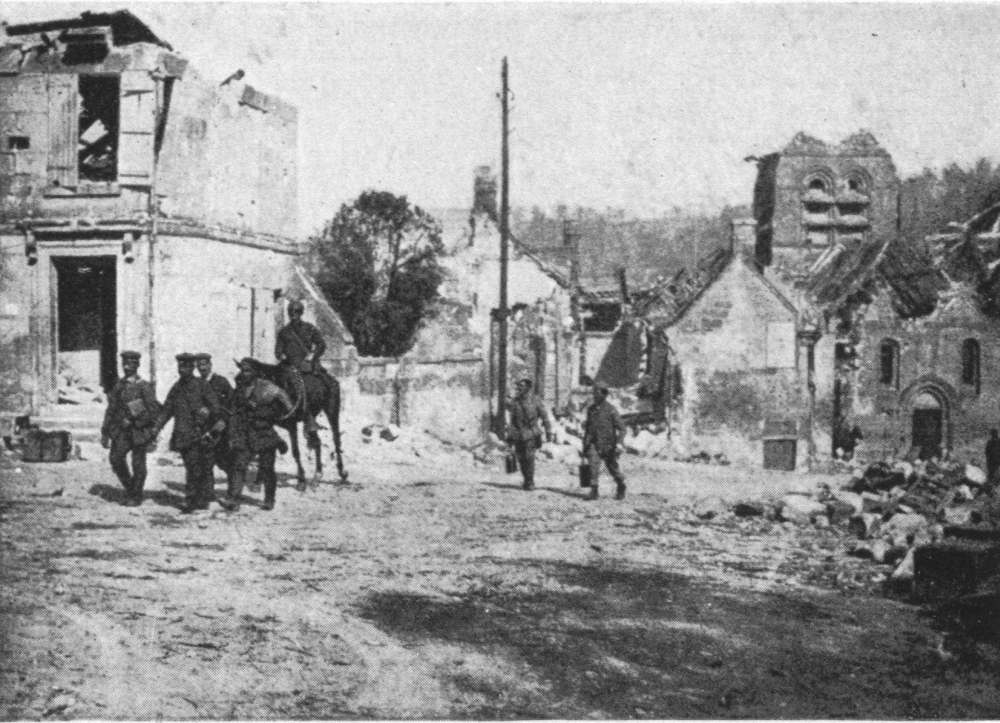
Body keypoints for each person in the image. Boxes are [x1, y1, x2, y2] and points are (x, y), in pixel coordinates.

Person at [220, 358, 294, 512]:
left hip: (264, 433)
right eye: (242, 370)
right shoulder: (240, 389)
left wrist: (261, 410)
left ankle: (269, 499)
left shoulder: (267, 388)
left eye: (248, 370)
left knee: (267, 468)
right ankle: (234, 499)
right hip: (245, 433)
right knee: (239, 465)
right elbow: (233, 411)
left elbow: (284, 407)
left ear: (255, 372)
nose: (244, 373)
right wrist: (233, 433)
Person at [154, 353, 223, 513]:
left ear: (192, 368)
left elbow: (216, 407)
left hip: (201, 433)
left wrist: (208, 411)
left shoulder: (202, 385)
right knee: (192, 466)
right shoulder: (176, 388)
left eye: (186, 366)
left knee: (199, 467)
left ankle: (197, 499)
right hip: (183, 434)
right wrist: (157, 427)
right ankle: (197, 499)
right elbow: (167, 410)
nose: (182, 370)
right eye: (180, 366)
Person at [100, 350, 160, 506]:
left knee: (138, 464)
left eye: (131, 364)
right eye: (124, 364)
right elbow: (110, 409)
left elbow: (153, 411)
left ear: (137, 365)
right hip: (121, 431)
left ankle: (136, 495)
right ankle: (131, 488)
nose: (127, 367)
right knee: (115, 458)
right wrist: (105, 431)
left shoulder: (144, 386)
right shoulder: (118, 385)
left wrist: (135, 421)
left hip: (139, 431)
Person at [274, 299, 326, 435]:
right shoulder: (284, 332)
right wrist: (281, 356)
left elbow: (321, 344)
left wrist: (313, 355)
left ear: (301, 313)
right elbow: (278, 351)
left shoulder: (310, 329)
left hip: (306, 363)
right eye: (291, 312)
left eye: (297, 312)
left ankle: (312, 415)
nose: (294, 315)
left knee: (316, 383)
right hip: (290, 365)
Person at [195, 352, 234, 496]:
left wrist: (224, 420)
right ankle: (209, 493)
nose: (202, 368)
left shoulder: (221, 382)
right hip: (204, 428)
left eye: (204, 364)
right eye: (199, 365)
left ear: (210, 365)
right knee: (206, 462)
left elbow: (232, 403)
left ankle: (233, 491)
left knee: (224, 461)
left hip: (221, 427)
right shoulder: (196, 383)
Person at [582, 382, 626, 501]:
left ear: (604, 394)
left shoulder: (611, 410)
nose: (595, 395)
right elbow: (588, 428)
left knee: (612, 468)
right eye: (594, 393)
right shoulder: (591, 409)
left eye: (597, 393)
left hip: (609, 445)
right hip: (593, 443)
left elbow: (622, 428)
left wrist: (619, 443)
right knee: (593, 465)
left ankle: (621, 485)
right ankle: (594, 490)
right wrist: (585, 444)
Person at [506, 378, 553, 491]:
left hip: (531, 433)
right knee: (521, 458)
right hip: (518, 434)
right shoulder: (515, 401)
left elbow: (545, 417)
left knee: (529, 457)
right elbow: (512, 420)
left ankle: (530, 481)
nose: (519, 388)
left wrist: (548, 431)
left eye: (521, 386)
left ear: (528, 388)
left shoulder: (535, 400)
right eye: (518, 386)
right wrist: (510, 437)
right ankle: (526, 479)